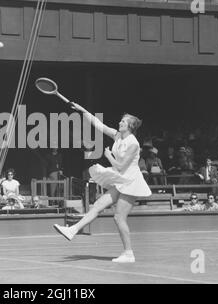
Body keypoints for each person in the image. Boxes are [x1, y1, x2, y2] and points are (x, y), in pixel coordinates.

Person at [53, 104, 151, 263]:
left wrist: (108, 155)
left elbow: (121, 166)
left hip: (131, 181)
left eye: (124, 122)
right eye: (121, 121)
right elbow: (100, 125)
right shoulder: (118, 135)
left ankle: (128, 253)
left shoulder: (133, 143)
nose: (120, 123)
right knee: (98, 204)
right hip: (121, 179)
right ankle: (73, 230)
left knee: (119, 217)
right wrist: (82, 110)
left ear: (130, 127)